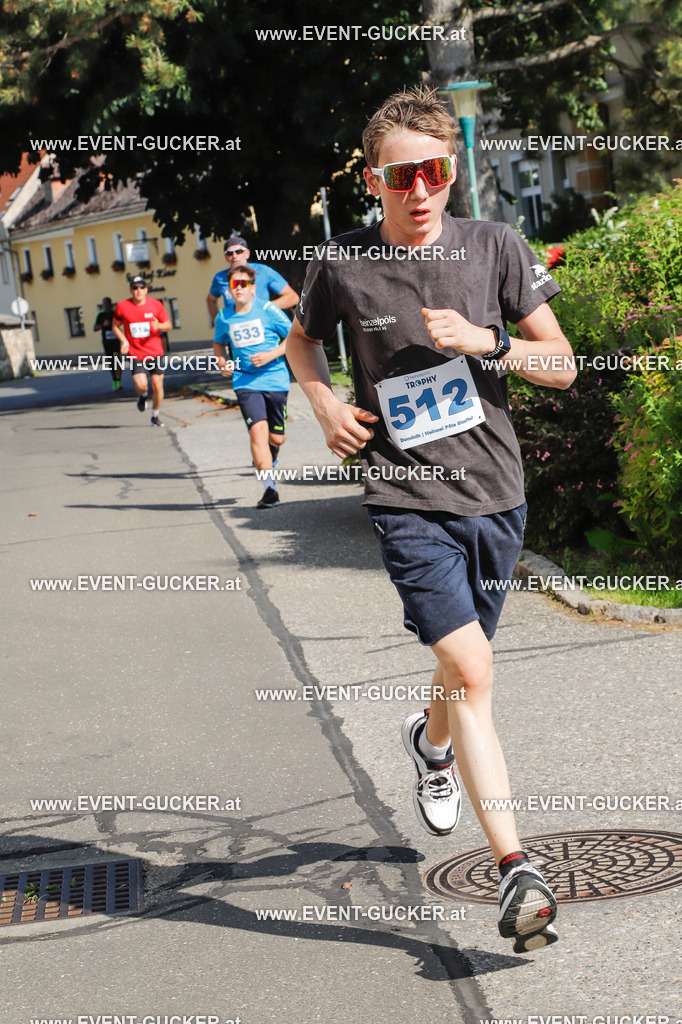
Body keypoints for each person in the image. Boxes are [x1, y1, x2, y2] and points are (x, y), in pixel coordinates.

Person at [286, 85, 577, 954]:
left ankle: (430, 739)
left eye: (434, 172)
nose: (418, 190)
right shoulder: (342, 264)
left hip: (497, 494)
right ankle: (517, 869)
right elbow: (302, 341)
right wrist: (323, 403)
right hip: (406, 499)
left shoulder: (496, 246)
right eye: (400, 175)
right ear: (373, 180)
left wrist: (488, 343)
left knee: (462, 677)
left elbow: (562, 365)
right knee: (474, 667)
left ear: (453, 173)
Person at [214, 265, 292, 509]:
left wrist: (271, 354)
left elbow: (295, 337)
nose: (238, 289)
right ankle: (270, 489)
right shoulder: (224, 316)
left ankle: (272, 453)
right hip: (245, 381)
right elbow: (219, 344)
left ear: (252, 288)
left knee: (277, 438)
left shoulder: (268, 310)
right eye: (233, 284)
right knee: (257, 432)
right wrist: (222, 362)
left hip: (275, 378)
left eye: (243, 284)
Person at [112, 276, 172, 427]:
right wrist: (124, 341)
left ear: (146, 289)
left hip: (155, 352)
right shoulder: (122, 306)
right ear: (131, 290)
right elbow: (114, 325)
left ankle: (155, 416)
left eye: (141, 287)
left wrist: (158, 326)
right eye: (135, 287)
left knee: (158, 385)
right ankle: (143, 395)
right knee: (142, 385)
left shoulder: (156, 305)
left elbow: (168, 325)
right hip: (136, 353)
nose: (138, 291)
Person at [206, 234, 299, 327]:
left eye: (239, 251)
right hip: (235, 330)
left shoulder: (262, 271)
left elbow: (293, 297)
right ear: (226, 257)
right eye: (230, 253)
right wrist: (218, 324)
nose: (234, 256)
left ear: (247, 253)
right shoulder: (220, 278)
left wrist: (265, 307)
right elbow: (210, 300)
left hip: (263, 327)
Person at [93, 297, 122, 390]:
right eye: (104, 304)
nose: (106, 305)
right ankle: (114, 380)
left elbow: (121, 322)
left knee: (117, 359)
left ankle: (118, 380)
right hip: (106, 342)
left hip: (116, 340)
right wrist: (102, 325)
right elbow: (95, 328)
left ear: (111, 304)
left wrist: (116, 324)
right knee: (111, 362)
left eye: (108, 303)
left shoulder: (115, 313)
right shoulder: (100, 315)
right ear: (103, 305)